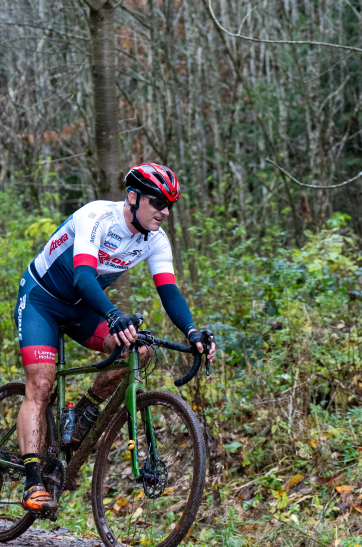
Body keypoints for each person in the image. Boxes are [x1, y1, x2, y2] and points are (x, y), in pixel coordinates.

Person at [14, 163, 216, 511]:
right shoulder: (97, 217)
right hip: (42, 301)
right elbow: (83, 277)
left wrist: (193, 332)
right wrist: (113, 314)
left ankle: (84, 412)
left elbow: (169, 292)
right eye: (158, 202)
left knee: (139, 349)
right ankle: (32, 481)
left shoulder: (155, 240)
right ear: (133, 197)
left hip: (82, 309)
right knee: (42, 384)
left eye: (170, 205)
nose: (165, 212)